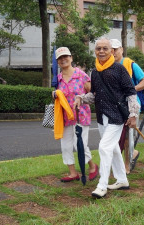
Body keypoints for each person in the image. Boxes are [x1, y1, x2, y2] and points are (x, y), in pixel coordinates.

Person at [74, 38, 139, 198]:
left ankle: (102, 185)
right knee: (113, 148)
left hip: (117, 116)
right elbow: (95, 95)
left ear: (112, 51)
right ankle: (122, 180)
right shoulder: (95, 71)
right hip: (102, 117)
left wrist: (133, 115)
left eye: (105, 48)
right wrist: (81, 98)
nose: (101, 51)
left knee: (104, 147)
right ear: (95, 51)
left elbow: (131, 92)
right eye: (98, 48)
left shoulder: (119, 69)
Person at [52, 47, 98, 182]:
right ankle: (73, 173)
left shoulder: (82, 75)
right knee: (65, 145)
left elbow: (92, 94)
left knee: (81, 145)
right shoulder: (57, 79)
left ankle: (92, 166)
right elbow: (59, 96)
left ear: (71, 58)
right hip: (65, 117)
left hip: (81, 115)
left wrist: (81, 98)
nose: (63, 59)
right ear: (57, 62)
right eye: (60, 58)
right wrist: (54, 94)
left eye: (65, 56)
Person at [110, 38, 144, 174]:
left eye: (116, 49)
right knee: (115, 137)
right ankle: (129, 156)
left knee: (127, 137)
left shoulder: (130, 64)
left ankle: (127, 165)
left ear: (121, 49)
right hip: (114, 106)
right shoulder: (107, 66)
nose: (113, 52)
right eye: (111, 49)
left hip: (131, 105)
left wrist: (132, 89)